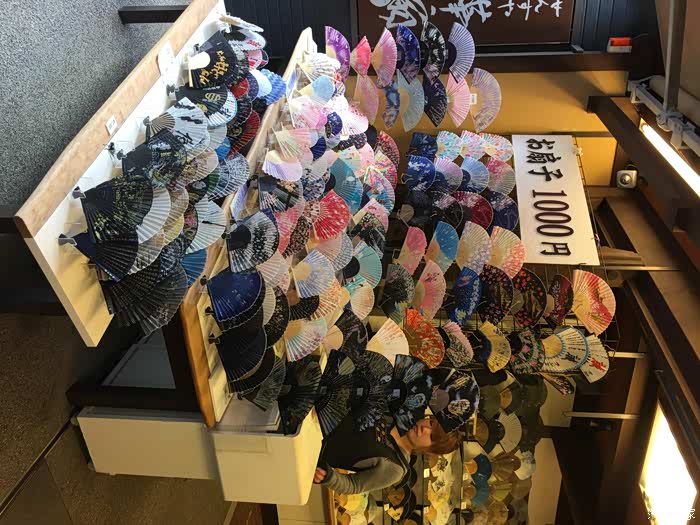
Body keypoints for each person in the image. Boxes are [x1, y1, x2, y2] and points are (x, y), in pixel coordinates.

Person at [313, 415, 462, 495]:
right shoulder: (395, 412)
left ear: (429, 450)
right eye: (431, 423)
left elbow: (354, 485)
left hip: (311, 452)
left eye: (432, 436)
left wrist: (329, 477)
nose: (425, 428)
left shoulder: (395, 468)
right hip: (313, 414)